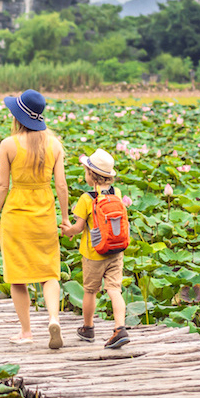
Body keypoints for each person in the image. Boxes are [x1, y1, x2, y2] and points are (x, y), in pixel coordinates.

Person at [0, 89, 70, 348]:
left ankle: (26, 332)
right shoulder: (55, 145)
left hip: (16, 214)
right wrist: (65, 218)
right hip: (44, 213)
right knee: (49, 273)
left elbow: (2, 186)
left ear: (18, 116)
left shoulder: (8, 144)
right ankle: (53, 319)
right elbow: (62, 186)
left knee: (17, 276)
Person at [60, 149, 130, 349]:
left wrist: (68, 231)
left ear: (90, 175)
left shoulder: (86, 198)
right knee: (114, 290)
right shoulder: (116, 193)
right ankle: (120, 328)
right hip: (116, 251)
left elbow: (79, 227)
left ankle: (88, 328)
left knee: (90, 291)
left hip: (94, 254)